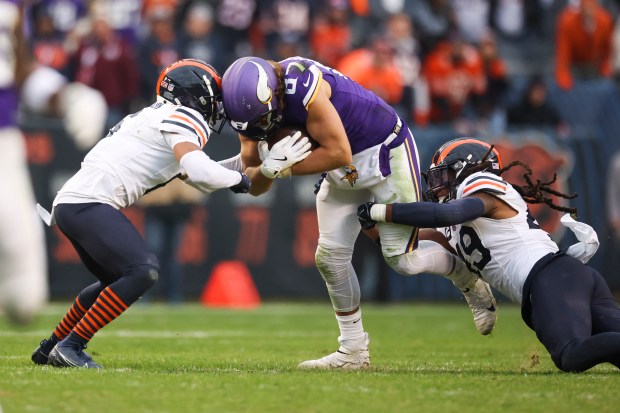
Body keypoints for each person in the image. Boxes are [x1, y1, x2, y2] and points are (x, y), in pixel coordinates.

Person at [220, 56, 497, 370]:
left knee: (403, 259)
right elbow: (253, 182)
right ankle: (353, 351)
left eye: (262, 120)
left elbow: (339, 151)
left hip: (383, 152)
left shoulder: (303, 88)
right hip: (342, 169)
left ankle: (466, 277)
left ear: (273, 94)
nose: (260, 129)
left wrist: (282, 171)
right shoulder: (249, 111)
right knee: (329, 257)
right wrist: (266, 171)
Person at [31, 59, 251, 369]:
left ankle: (51, 346)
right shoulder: (184, 115)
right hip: (89, 203)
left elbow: (198, 174)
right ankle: (71, 347)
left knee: (113, 279)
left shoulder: (153, 116)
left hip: (72, 204)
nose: (217, 106)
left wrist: (253, 164)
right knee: (142, 271)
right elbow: (200, 172)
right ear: (195, 95)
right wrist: (239, 179)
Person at [357, 138, 620, 372]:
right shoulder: (454, 228)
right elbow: (401, 243)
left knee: (570, 354)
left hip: (550, 278)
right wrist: (368, 223)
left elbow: (450, 213)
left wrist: (381, 211)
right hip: (566, 277)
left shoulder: (482, 187)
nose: (437, 186)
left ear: (467, 169)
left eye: (444, 174)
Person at [0, 0, 48, 325]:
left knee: (17, 228)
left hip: (4, 131)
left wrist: (63, 93)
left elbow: (21, 66)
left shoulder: (14, 9)